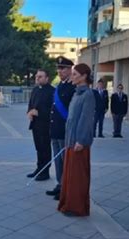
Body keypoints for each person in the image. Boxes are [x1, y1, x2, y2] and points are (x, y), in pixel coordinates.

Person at [57, 63, 96, 217]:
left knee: (78, 177)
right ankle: (67, 203)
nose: (71, 77)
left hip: (79, 143)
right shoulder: (76, 93)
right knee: (69, 176)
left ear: (84, 76)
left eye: (74, 74)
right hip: (70, 141)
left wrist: (81, 140)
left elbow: (86, 120)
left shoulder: (88, 95)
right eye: (72, 74)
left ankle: (76, 207)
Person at [46, 56, 76, 200]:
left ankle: (66, 187)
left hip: (65, 131)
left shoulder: (73, 87)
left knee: (65, 162)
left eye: (63, 68)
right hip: (56, 130)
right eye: (58, 68)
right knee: (57, 161)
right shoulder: (60, 86)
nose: (60, 71)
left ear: (70, 69)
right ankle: (60, 184)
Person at [27, 69, 55, 181]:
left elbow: (53, 109)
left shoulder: (52, 91)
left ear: (47, 78)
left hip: (46, 124)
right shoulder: (35, 90)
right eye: (37, 76)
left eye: (40, 76)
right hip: (35, 124)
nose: (37, 78)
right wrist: (29, 112)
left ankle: (45, 172)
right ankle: (39, 168)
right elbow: (31, 104)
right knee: (38, 148)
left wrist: (39, 113)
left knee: (45, 148)